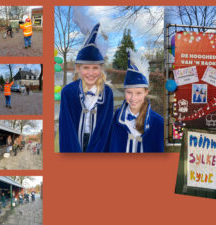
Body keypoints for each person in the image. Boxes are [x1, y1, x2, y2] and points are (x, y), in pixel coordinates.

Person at [58, 22, 113, 152]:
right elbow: (66, 127)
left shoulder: (107, 93)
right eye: (86, 67)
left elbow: (106, 126)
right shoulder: (68, 92)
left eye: (95, 68)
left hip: (99, 145)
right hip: (75, 143)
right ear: (78, 68)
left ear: (101, 68)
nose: (90, 73)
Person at [106, 49, 164, 153]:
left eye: (138, 93)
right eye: (129, 92)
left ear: (146, 92)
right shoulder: (114, 119)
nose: (133, 98)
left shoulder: (158, 122)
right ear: (124, 91)